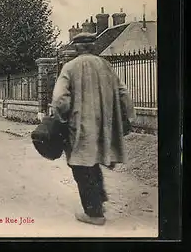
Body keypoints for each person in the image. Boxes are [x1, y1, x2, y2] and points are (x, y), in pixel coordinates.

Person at [51, 32, 135, 226]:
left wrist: (62, 118)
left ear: (77, 48)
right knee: (93, 160)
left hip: (79, 126)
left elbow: (59, 99)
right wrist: (128, 117)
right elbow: (124, 93)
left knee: (80, 166)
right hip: (103, 126)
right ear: (94, 46)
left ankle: (94, 213)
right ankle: (100, 199)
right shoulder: (105, 66)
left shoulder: (70, 67)